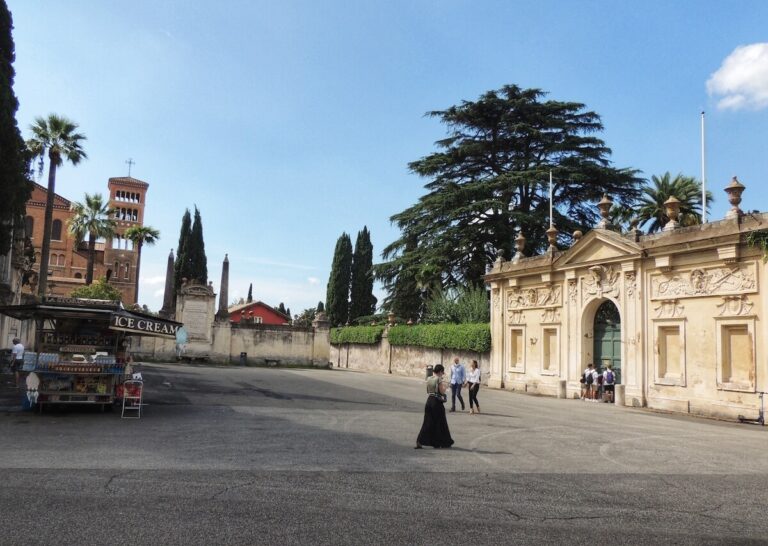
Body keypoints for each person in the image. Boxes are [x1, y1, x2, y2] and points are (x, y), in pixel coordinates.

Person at [415, 364, 454, 449]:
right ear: (440, 371)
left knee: (427, 422)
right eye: (442, 372)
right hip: (436, 402)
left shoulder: (429, 378)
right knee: (440, 422)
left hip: (429, 400)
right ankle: (442, 442)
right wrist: (446, 387)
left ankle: (419, 440)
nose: (442, 374)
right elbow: (442, 391)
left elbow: (428, 390)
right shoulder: (438, 379)